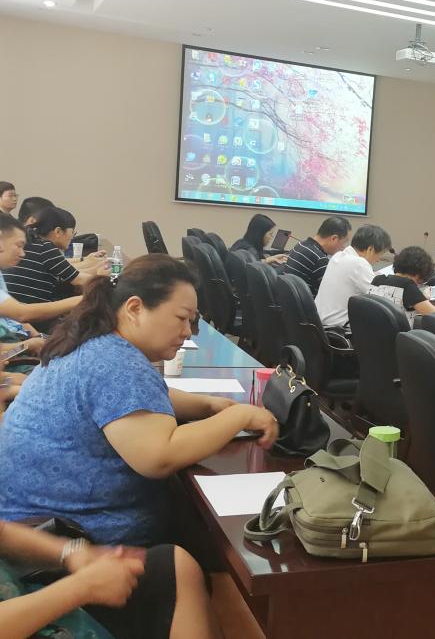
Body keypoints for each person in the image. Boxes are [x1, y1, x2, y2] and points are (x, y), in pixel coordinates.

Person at [0, 255, 279, 546]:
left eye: (191, 321)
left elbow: (137, 400)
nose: (187, 331)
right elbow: (160, 457)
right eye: (181, 318)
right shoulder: (116, 362)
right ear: (135, 308)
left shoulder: (97, 342)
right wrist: (241, 416)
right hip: (57, 539)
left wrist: (207, 405)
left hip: (29, 517)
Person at [0, 519, 220, 639]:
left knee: (170, 567)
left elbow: (2, 532)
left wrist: (72, 552)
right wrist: (82, 587)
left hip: (24, 601)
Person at [4, 206, 109, 307]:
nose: (72, 237)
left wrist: (95, 267)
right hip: (32, 310)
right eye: (72, 232)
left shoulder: (34, 242)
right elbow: (78, 279)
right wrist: (102, 277)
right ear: (58, 231)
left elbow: (68, 271)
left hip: (14, 306)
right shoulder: (46, 247)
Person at [0, 215, 82, 339]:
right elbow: (21, 314)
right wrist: (81, 300)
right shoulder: (45, 247)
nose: (22, 254)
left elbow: (15, 317)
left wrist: (38, 338)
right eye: (19, 245)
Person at [315, 224, 391, 332]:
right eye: (381, 254)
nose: (379, 260)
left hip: (320, 324)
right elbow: (382, 298)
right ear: (370, 249)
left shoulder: (338, 256)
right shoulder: (360, 264)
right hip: (339, 330)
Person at [370, 246, 435, 323]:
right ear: (418, 274)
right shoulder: (408, 286)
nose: (417, 285)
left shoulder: (377, 280)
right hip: (398, 330)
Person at [282, 216, 351, 296]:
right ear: (334, 238)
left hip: (288, 300)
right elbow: (332, 293)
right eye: (344, 242)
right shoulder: (319, 259)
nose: (343, 248)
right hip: (309, 303)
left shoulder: (301, 245)